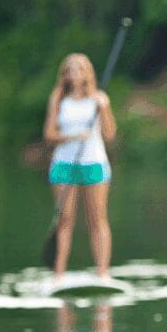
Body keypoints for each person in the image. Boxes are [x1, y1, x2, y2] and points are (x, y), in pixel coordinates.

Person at [43, 53, 116, 282]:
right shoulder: (58, 98)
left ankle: (103, 273)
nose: (76, 74)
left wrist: (104, 108)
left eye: (80, 69)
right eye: (71, 70)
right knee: (65, 220)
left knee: (98, 219)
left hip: (93, 163)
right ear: (64, 74)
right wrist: (74, 136)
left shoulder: (99, 99)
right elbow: (49, 135)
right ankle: (59, 275)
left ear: (88, 73)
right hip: (65, 164)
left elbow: (110, 134)